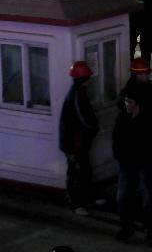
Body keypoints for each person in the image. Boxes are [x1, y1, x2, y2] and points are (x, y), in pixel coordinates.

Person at [112, 84, 152, 242]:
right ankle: (127, 226)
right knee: (124, 196)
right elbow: (116, 140)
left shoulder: (147, 121)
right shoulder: (123, 118)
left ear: (138, 104)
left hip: (142, 162)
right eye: (126, 101)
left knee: (146, 195)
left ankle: (149, 226)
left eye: (129, 101)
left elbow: (149, 144)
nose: (127, 104)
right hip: (127, 163)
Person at [59, 61, 99, 215]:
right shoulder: (78, 95)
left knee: (83, 170)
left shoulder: (76, 93)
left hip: (75, 141)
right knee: (76, 172)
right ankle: (76, 203)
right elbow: (85, 119)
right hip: (74, 142)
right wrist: (93, 128)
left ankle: (86, 198)